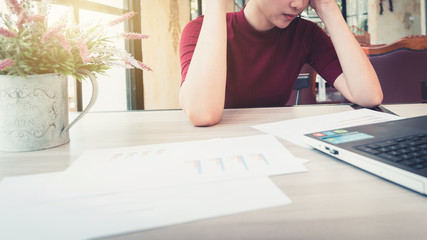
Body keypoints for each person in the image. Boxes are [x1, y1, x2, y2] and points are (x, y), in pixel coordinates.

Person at [179, 0, 383, 126]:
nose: (298, 4)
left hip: (277, 148)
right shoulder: (198, 31)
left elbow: (369, 96)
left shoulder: (305, 34)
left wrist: (328, 8)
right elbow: (202, 114)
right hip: (215, 149)